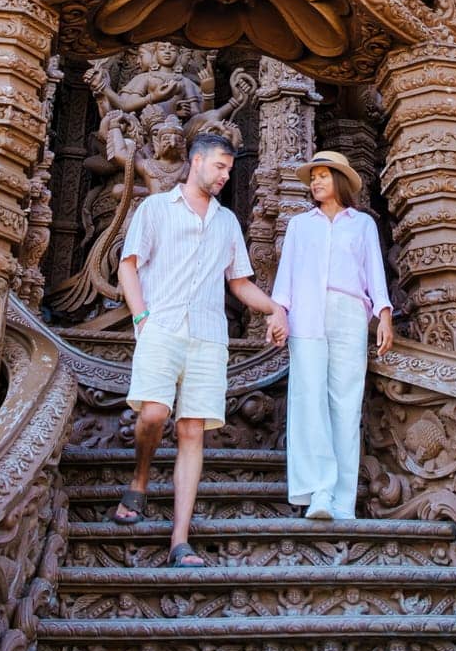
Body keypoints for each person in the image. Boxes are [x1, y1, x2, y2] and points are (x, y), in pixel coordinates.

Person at [113, 131, 288, 567]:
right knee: (154, 413)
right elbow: (128, 265)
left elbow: (239, 282)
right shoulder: (155, 208)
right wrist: (141, 319)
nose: (226, 175)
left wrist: (276, 309)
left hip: (209, 336)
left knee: (192, 431)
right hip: (162, 327)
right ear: (196, 162)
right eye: (220, 166)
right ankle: (139, 477)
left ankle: (179, 539)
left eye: (229, 168)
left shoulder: (227, 222)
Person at [272, 150, 392, 523]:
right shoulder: (299, 225)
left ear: (339, 180)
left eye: (323, 175)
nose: (316, 182)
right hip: (306, 313)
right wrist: (278, 314)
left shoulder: (362, 225)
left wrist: (384, 315)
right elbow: (285, 276)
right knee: (311, 401)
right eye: (313, 177)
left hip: (349, 314)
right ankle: (321, 491)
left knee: (345, 403)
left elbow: (375, 272)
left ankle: (343, 500)